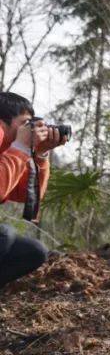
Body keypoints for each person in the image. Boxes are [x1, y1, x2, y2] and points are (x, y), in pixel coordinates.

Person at [0, 92, 67, 290]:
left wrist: (40, 153)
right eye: (26, 123)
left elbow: (24, 195)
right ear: (4, 122)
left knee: (34, 251)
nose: (32, 129)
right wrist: (20, 147)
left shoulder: (7, 147)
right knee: (5, 234)